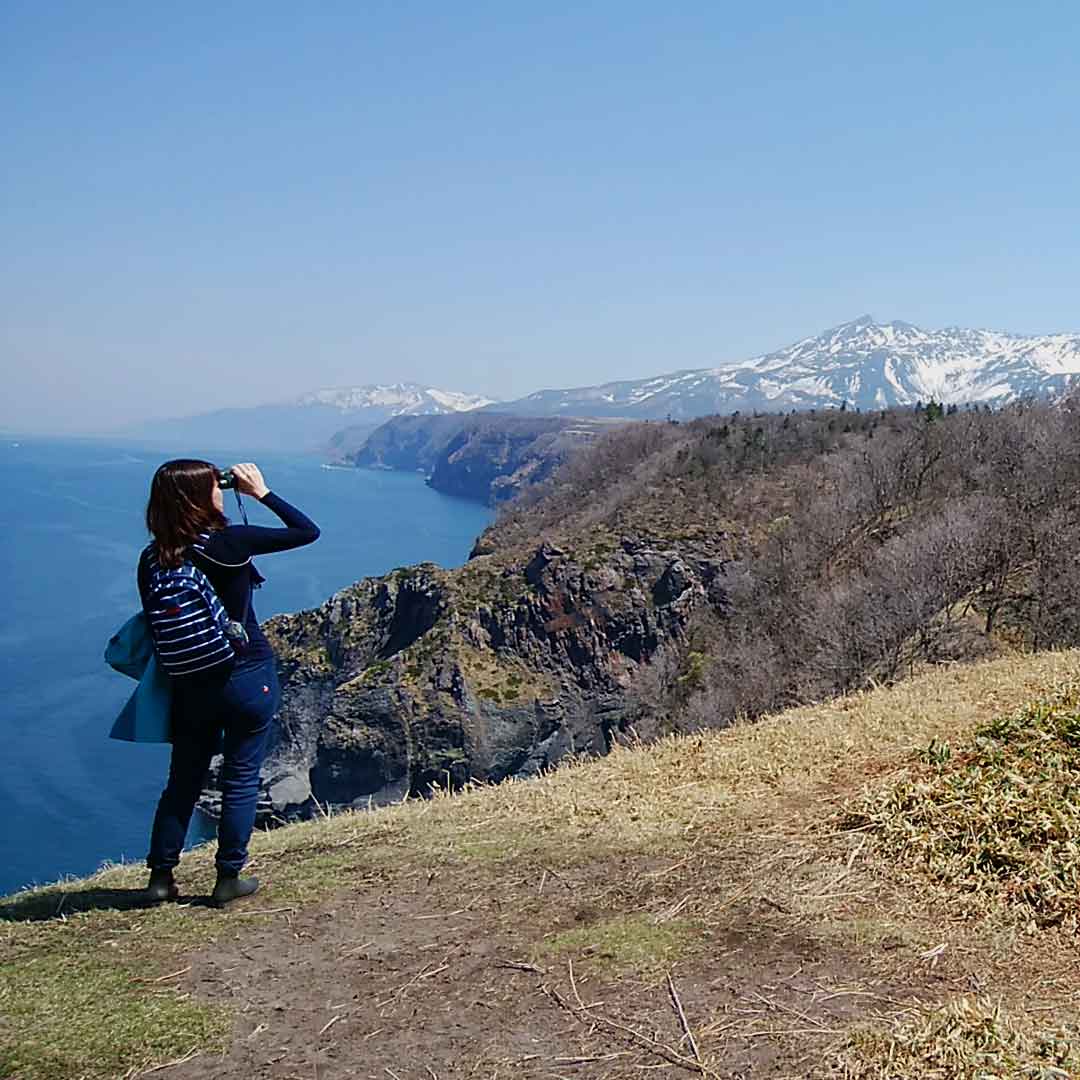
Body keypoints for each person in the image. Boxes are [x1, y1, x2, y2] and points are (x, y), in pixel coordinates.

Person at [138, 459, 320, 906]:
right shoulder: (230, 543)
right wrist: (260, 492)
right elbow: (306, 531)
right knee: (240, 778)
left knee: (183, 781)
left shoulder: (152, 559)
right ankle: (227, 878)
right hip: (246, 674)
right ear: (201, 498)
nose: (222, 490)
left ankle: (160, 878)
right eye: (215, 486)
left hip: (189, 684)